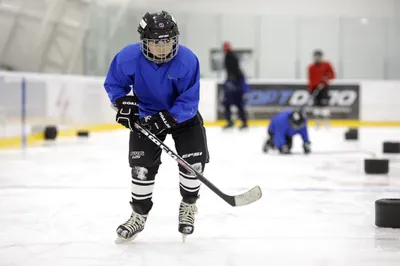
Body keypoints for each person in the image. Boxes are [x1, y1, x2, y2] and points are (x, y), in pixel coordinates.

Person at [103, 10, 209, 243]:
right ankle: (138, 215)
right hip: (146, 117)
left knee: (194, 163)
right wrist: (122, 103)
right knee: (141, 168)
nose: (163, 49)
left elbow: (189, 99)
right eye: (155, 43)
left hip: (182, 118)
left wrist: (170, 118)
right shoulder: (128, 57)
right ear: (143, 42)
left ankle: (189, 206)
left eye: (168, 42)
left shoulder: (188, 60)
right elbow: (114, 85)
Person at [222, 41, 249, 130]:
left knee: (233, 103)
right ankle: (241, 121)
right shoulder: (231, 56)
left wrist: (231, 82)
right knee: (235, 103)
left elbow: (234, 70)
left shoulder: (230, 56)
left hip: (234, 83)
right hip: (234, 83)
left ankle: (235, 121)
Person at [307, 49, 335, 127]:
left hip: (324, 88)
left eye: (319, 56)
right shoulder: (311, 67)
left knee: (325, 106)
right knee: (316, 106)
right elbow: (310, 79)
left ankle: (327, 122)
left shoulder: (327, 65)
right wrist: (310, 90)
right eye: (316, 56)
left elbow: (332, 75)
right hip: (315, 88)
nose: (317, 58)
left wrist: (326, 79)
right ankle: (317, 122)